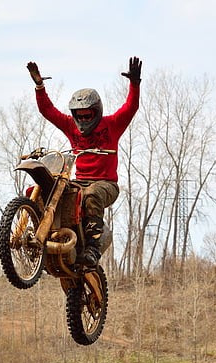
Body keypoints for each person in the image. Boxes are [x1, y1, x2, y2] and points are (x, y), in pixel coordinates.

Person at [26, 57, 141, 267]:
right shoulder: (71, 126)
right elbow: (48, 111)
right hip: (79, 182)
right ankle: (39, 239)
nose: (84, 119)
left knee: (90, 195)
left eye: (88, 115)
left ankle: (93, 248)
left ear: (97, 112)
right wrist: (40, 86)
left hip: (105, 184)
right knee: (50, 192)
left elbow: (130, 107)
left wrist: (134, 84)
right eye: (80, 115)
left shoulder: (112, 125)